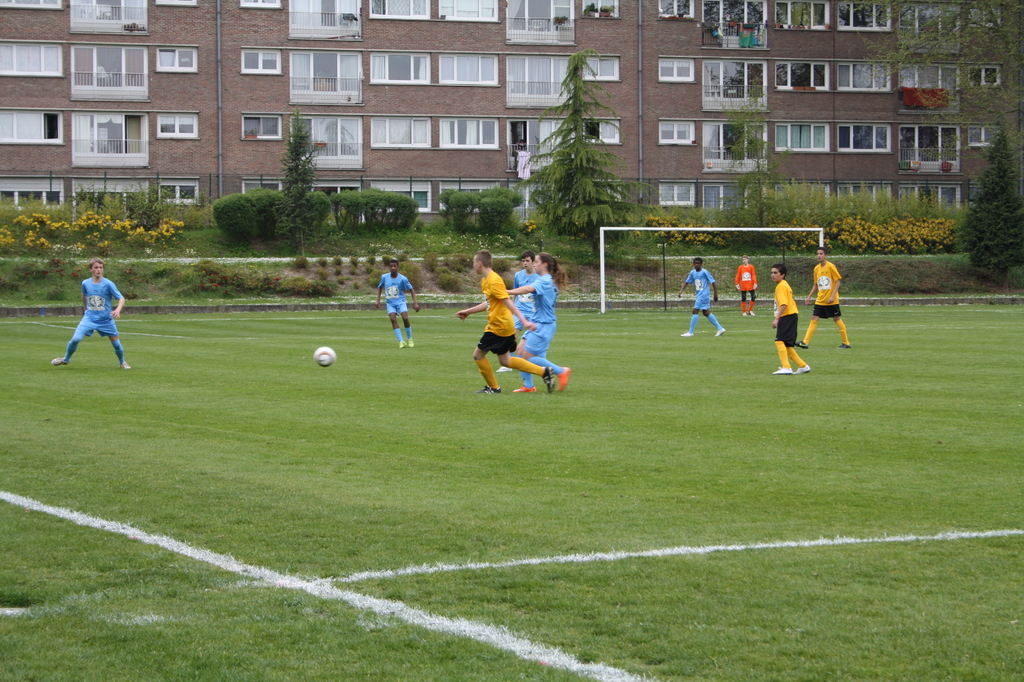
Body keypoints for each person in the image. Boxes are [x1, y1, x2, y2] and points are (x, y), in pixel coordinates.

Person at [456, 250, 553, 394]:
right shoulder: (485, 280)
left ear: (479, 264)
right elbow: (490, 303)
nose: (473, 266)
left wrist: (524, 321)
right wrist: (468, 311)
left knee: (478, 355)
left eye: (474, 263)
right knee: (505, 361)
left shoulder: (494, 280)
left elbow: (508, 302)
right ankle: (544, 372)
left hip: (499, 326)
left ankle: (494, 387)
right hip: (503, 325)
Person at [505, 252, 572, 393]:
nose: (534, 264)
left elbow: (529, 289)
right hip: (538, 323)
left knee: (527, 357)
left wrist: (507, 292)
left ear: (544, 264)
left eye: (536, 262)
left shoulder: (545, 280)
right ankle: (528, 386)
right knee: (520, 353)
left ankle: (561, 371)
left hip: (544, 325)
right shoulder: (546, 279)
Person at [52, 257, 130, 369]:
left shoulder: (108, 284)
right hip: (89, 318)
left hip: (105, 320)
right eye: (96, 267)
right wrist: (85, 309)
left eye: (101, 267)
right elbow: (84, 295)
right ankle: (66, 359)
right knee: (75, 339)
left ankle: (122, 362)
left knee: (116, 344)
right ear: (91, 269)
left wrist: (117, 310)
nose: (99, 270)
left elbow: (121, 298)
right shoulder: (85, 283)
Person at [796, 246, 851, 349]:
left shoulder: (831, 266)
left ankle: (846, 343)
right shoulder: (816, 268)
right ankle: (805, 342)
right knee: (814, 317)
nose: (819, 256)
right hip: (820, 300)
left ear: (826, 256)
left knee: (836, 318)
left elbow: (838, 282)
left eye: (821, 254)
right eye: (817, 254)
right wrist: (809, 296)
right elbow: (816, 284)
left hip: (831, 300)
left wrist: (832, 296)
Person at [497, 250, 538, 376]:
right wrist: (512, 307)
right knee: (511, 336)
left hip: (533, 312)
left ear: (533, 262)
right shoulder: (518, 275)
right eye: (523, 261)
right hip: (519, 310)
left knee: (533, 338)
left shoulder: (539, 277)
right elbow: (515, 292)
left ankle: (533, 361)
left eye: (527, 261)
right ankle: (508, 363)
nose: (525, 263)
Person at [770, 263, 810, 375]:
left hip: (787, 316)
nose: (773, 275)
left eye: (775, 273)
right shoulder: (783, 284)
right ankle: (803, 366)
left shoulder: (781, 286)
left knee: (779, 341)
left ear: (782, 275)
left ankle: (786, 367)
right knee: (786, 345)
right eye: (772, 273)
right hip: (791, 316)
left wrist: (777, 318)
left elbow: (784, 304)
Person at [375, 258, 419, 348]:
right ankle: (401, 341)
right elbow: (380, 287)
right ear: (389, 267)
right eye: (391, 266)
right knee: (393, 319)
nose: (393, 268)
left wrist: (415, 303)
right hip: (390, 303)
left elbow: (411, 289)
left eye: (394, 266)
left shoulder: (403, 278)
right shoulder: (384, 277)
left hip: (401, 302)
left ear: (397, 267)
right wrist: (378, 300)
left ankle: (410, 339)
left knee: (405, 318)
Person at [678, 257, 726, 337]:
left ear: (701, 264)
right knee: (705, 312)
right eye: (695, 263)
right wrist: (681, 290)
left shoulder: (704, 272)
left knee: (695, 311)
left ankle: (690, 332)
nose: (696, 265)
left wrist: (715, 294)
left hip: (704, 295)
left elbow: (713, 282)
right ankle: (720, 328)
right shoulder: (693, 272)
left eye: (698, 263)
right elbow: (687, 282)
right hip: (699, 294)